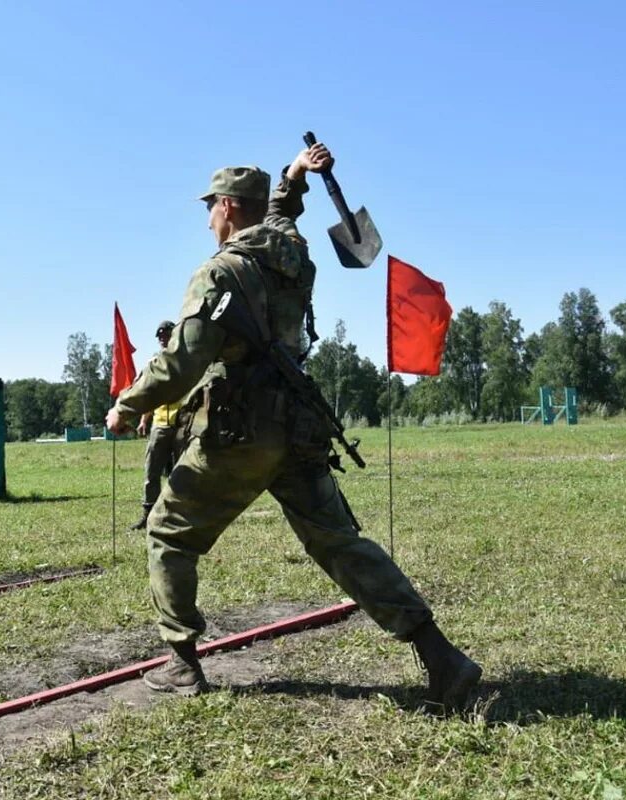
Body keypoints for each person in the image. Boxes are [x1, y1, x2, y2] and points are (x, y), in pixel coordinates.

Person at [105, 141, 481, 712]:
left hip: (239, 429)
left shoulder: (219, 272)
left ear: (229, 206)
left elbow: (182, 363)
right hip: (300, 424)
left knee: (169, 532)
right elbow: (281, 216)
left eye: (210, 206)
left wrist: (127, 405)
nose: (207, 217)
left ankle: (181, 662)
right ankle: (442, 658)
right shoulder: (292, 257)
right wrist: (297, 175)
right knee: (339, 543)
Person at [130, 320, 181, 531]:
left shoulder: (185, 360)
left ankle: (178, 515)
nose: (162, 338)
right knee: (151, 472)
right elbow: (150, 393)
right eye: (159, 335)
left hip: (182, 424)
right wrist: (144, 420)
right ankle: (148, 514)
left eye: (166, 333)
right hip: (160, 424)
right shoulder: (155, 362)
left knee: (180, 473)